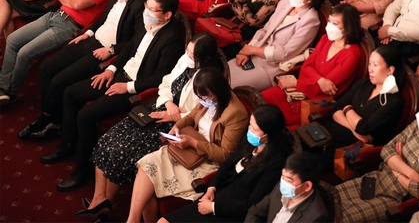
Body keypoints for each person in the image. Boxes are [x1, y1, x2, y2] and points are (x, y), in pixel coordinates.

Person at [41, 0, 185, 191]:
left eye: (152, 10)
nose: (146, 11)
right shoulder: (147, 24)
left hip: (134, 89)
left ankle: (83, 170)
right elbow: (129, 48)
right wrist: (111, 69)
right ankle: (68, 143)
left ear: (167, 15)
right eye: (146, 6)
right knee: (71, 93)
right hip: (120, 74)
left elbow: (161, 77)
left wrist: (127, 87)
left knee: (86, 115)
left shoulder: (172, 39)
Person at [76, 34, 224, 221]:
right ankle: (99, 200)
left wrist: (174, 115)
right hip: (160, 109)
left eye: (192, 55)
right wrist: (168, 103)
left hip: (177, 125)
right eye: (187, 50)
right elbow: (166, 83)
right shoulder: (185, 60)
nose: (187, 56)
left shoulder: (211, 79)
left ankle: (106, 204)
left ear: (205, 58)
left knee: (120, 151)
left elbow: (202, 113)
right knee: (107, 140)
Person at [17, 0, 146, 139]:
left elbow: (136, 41)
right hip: (91, 39)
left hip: (104, 51)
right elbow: (103, 18)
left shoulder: (141, 5)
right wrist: (88, 33)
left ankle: (50, 119)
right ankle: (51, 114)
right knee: (46, 68)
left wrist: (111, 50)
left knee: (60, 80)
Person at [126, 68, 249, 223]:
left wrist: (193, 142)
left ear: (216, 93)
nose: (201, 101)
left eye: (203, 97)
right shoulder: (206, 99)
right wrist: (177, 127)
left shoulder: (235, 114)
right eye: (199, 97)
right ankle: (132, 220)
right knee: (146, 164)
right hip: (189, 148)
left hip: (208, 161)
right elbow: (191, 117)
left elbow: (225, 155)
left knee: (151, 178)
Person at [0, 0, 113, 106]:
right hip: (55, 15)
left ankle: (10, 92)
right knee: (12, 39)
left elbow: (78, 4)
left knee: (24, 53)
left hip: (69, 26)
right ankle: (3, 86)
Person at [337, 90, 419, 223]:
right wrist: (412, 174)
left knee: (343, 219)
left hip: (394, 197)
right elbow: (387, 149)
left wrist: (396, 168)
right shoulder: (417, 126)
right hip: (377, 178)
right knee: (329, 199)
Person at [160, 105, 295, 223]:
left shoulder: (275, 163)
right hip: (218, 195)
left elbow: (253, 204)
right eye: (250, 125)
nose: (249, 131)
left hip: (231, 212)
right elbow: (226, 165)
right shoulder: (250, 142)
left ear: (269, 134)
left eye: (254, 129)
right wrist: (212, 188)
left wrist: (214, 208)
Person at [262, 3, 363, 128]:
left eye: (335, 23)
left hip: (315, 101)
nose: (329, 26)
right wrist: (320, 79)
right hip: (300, 88)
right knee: (263, 99)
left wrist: (296, 83)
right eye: (329, 21)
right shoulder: (326, 39)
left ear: (348, 28)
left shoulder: (351, 56)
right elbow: (306, 66)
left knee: (271, 119)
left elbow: (322, 90)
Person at [228, 0, 323, 91]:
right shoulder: (285, 3)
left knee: (231, 86)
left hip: (272, 66)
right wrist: (246, 51)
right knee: (221, 74)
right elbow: (264, 30)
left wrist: (253, 50)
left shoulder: (310, 21)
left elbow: (286, 53)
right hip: (256, 51)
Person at [321, 46, 407, 170]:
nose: (370, 69)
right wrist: (353, 129)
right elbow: (335, 109)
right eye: (370, 64)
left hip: (348, 149)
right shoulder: (363, 84)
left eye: (375, 65)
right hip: (329, 131)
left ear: (390, 70)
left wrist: (347, 109)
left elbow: (363, 127)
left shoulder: (393, 101)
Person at [244, 153, 330, 223]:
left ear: (307, 186)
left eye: (289, 180)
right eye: (282, 176)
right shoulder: (280, 187)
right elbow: (256, 211)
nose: (283, 182)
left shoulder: (316, 217)